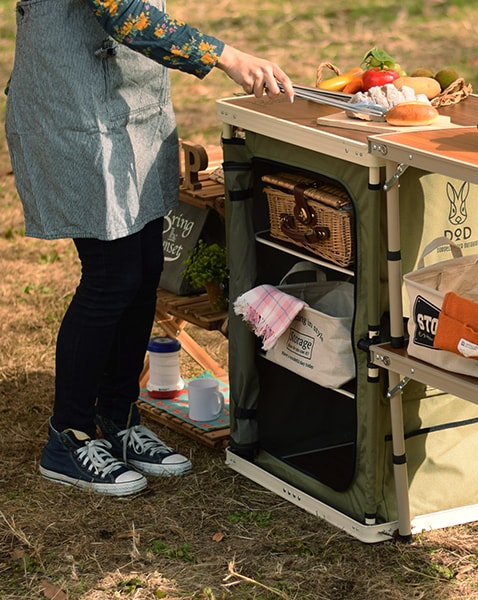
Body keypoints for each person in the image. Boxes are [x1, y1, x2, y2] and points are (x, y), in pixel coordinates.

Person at [4, 0, 295, 496]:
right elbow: (125, 13)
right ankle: (68, 437)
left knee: (143, 270)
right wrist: (228, 57)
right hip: (73, 110)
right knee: (111, 276)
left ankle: (117, 418)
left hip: (132, 108)